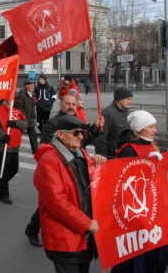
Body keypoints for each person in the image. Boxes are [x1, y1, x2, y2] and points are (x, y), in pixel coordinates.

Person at [34, 115, 106, 273]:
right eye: (76, 133)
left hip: (82, 235)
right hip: (65, 238)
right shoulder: (49, 161)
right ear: (60, 134)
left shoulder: (81, 153)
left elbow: (92, 184)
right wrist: (86, 224)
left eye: (82, 133)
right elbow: (57, 202)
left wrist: (97, 162)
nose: (81, 136)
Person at [111, 110, 168, 273]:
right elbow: (123, 182)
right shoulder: (128, 150)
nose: (155, 131)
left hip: (153, 208)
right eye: (151, 127)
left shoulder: (151, 145)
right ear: (140, 129)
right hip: (137, 212)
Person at [0, 99, 28, 205]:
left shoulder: (16, 111)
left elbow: (25, 124)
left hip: (14, 146)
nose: (9, 102)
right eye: (7, 100)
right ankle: (4, 194)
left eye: (11, 100)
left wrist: (15, 123)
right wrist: (3, 135)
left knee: (14, 169)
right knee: (2, 171)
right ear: (3, 101)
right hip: (1, 147)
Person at [95, 87, 133, 159]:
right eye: (127, 99)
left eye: (131, 99)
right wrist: (102, 157)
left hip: (124, 155)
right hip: (111, 156)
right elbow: (101, 138)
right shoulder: (107, 113)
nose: (130, 102)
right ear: (119, 98)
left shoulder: (127, 113)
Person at [15, 79, 38, 153]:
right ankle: (14, 148)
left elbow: (33, 106)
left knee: (33, 136)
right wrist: (23, 115)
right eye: (31, 85)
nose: (32, 87)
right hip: (23, 119)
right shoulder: (22, 95)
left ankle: (36, 151)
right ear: (26, 86)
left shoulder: (33, 94)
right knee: (17, 134)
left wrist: (34, 117)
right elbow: (18, 106)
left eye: (33, 85)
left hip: (31, 119)